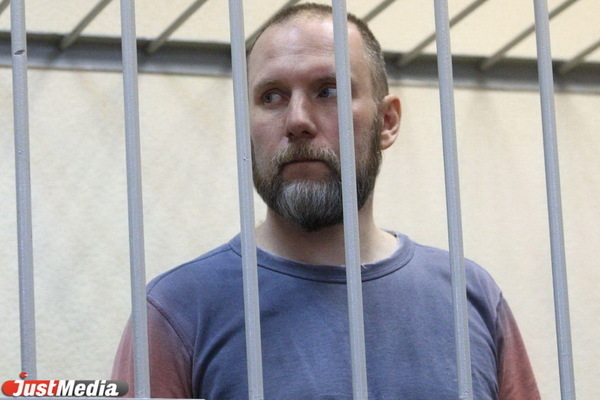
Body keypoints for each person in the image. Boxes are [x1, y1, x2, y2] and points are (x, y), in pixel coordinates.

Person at [112, 3, 540, 399]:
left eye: (329, 90)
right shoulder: (175, 311)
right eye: (271, 96)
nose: (297, 121)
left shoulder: (469, 296)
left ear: (387, 121)